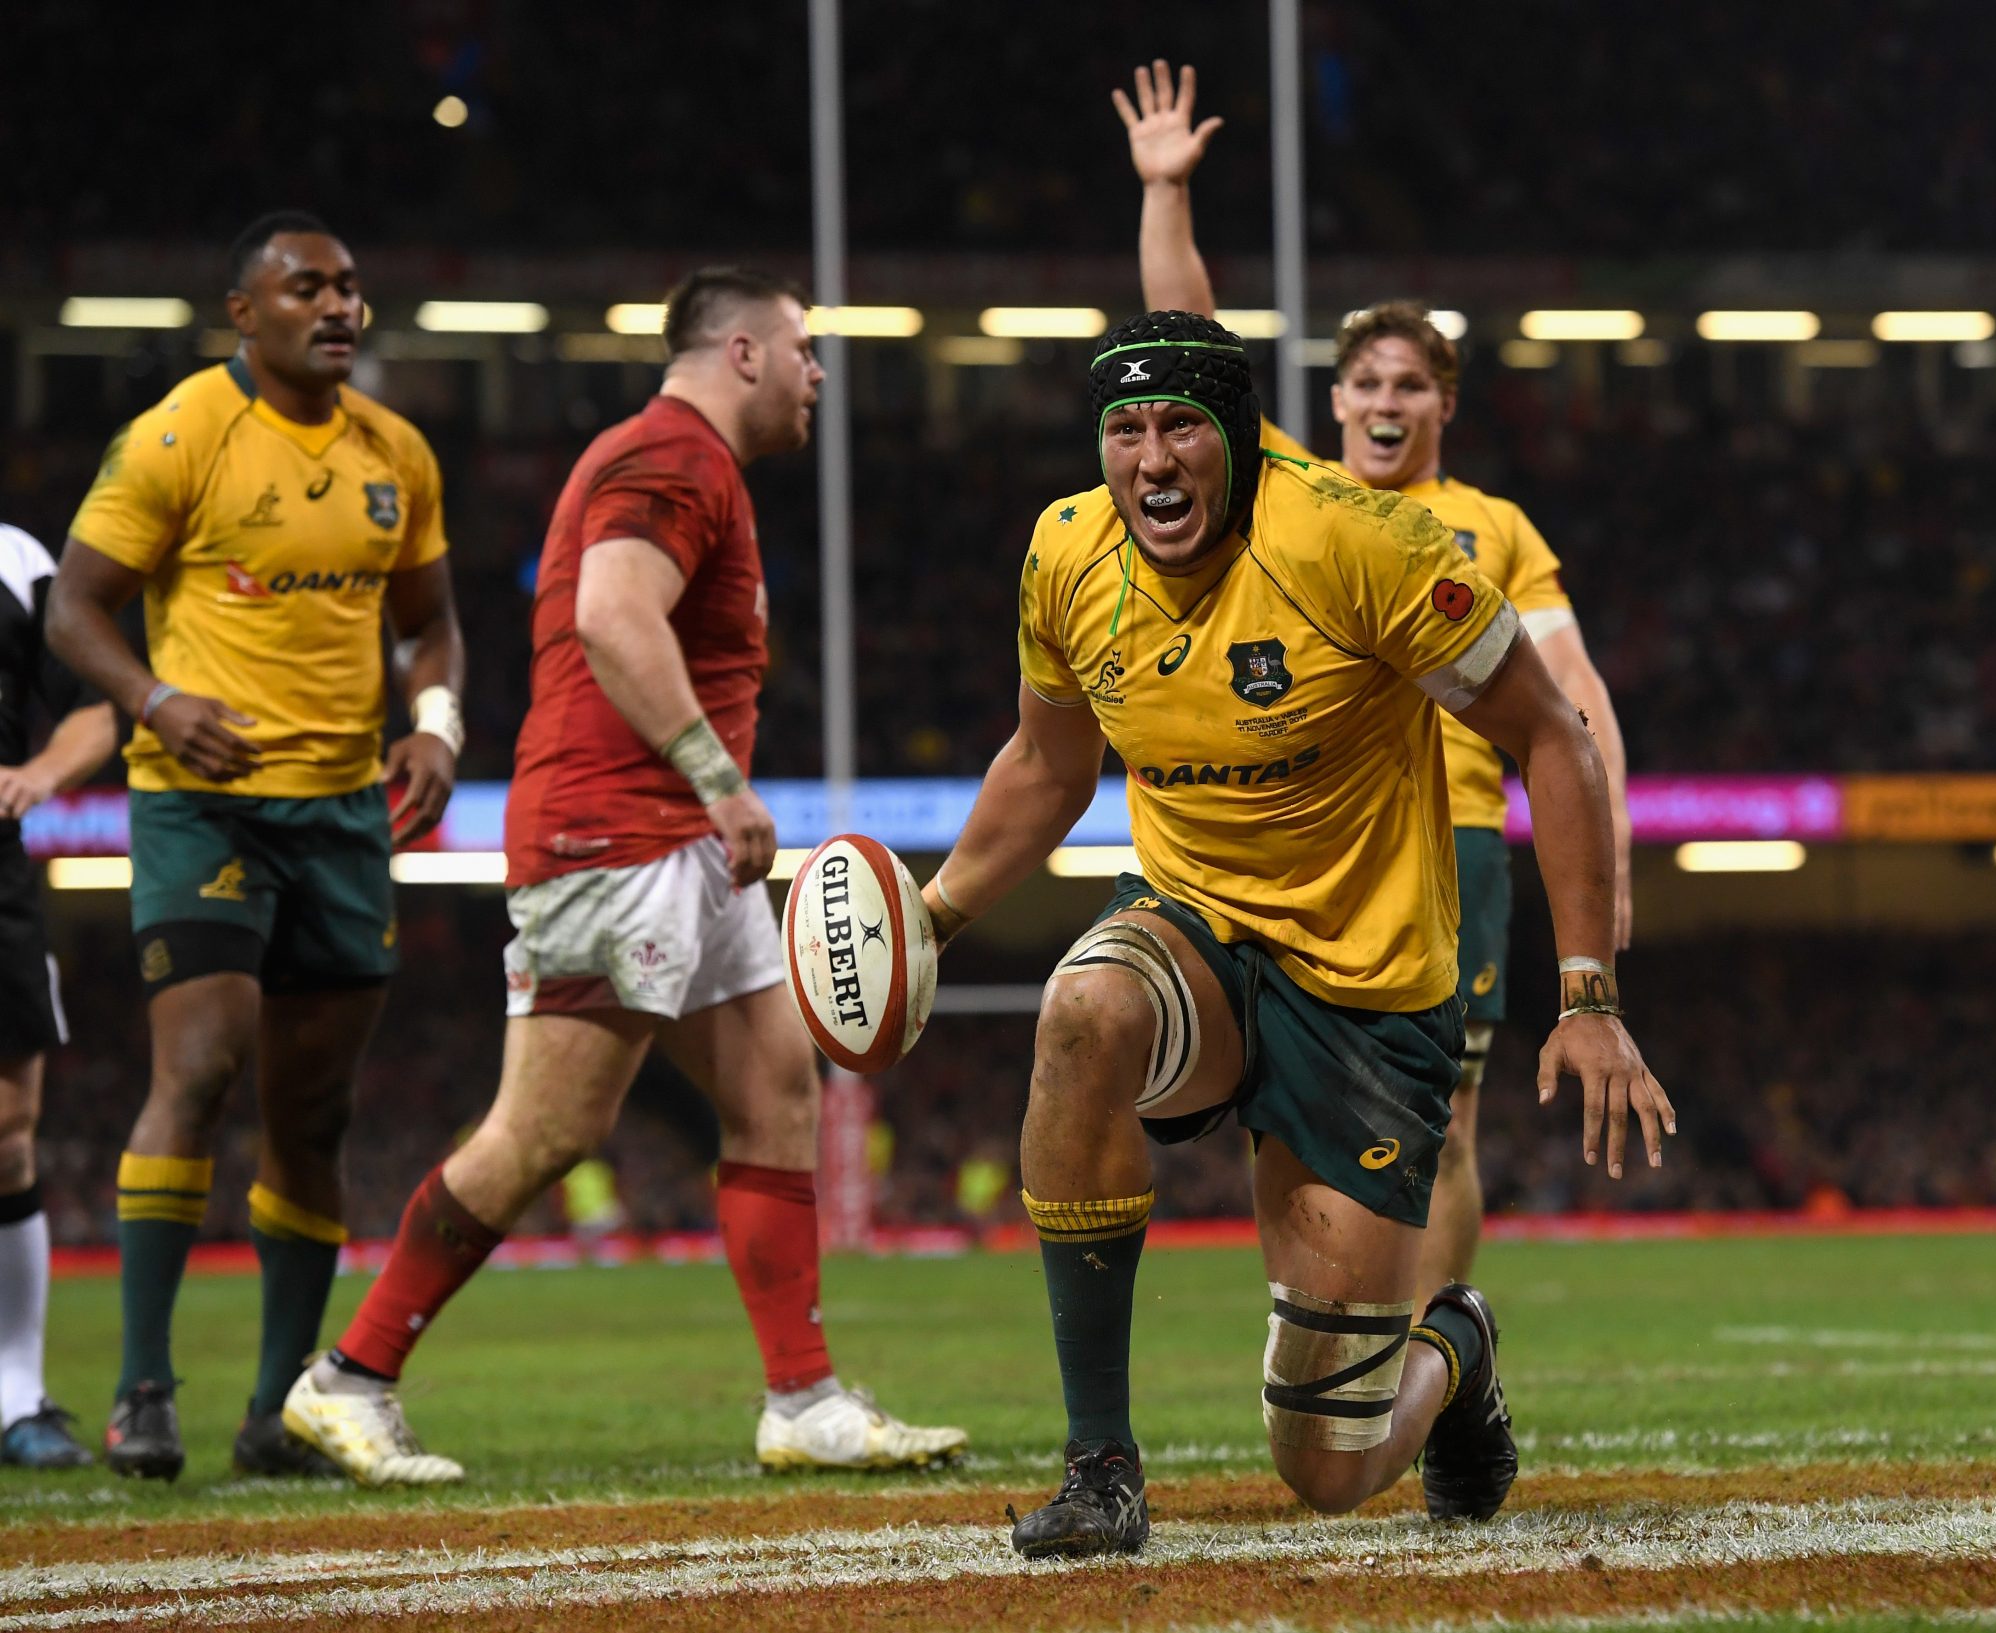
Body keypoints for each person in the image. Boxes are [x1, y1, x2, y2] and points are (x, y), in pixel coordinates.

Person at [920, 308, 1672, 1558]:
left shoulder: (1359, 541)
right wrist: (936, 915)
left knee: (1328, 1464)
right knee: (1085, 1007)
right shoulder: (1065, 552)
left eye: (1179, 426)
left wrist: (1588, 994)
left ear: (1236, 434)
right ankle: (1099, 1467)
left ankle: (1457, 1343)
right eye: (1123, 429)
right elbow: (1046, 764)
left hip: (1367, 990)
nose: (1151, 459)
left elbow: (1553, 732)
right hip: (1198, 932)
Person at [280, 268, 966, 1485]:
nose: (816, 373)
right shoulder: (669, 455)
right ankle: (351, 1376)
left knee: (777, 1091)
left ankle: (803, 1400)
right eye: (801, 349)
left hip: (677, 843)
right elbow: (611, 613)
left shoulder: (694, 466)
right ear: (741, 354)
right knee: (549, 1128)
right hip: (616, 834)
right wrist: (719, 780)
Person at [1115, 61, 1636, 1308]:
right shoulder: (1294, 494)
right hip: (1312, 841)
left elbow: (1572, 696)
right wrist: (1166, 191)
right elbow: (1188, 336)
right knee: (1287, 1115)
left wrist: (1605, 868)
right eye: (1367, 383)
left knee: (1444, 1119)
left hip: (1454, 842)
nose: (1386, 401)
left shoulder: (1492, 527)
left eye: (1410, 384)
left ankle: (1425, 1356)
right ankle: (1330, 1341)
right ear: (1335, 398)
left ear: (1442, 402)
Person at [46, 212, 465, 1481]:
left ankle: (280, 1409)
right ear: (243, 312)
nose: (338, 307)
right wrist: (155, 699)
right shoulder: (179, 435)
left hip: (343, 814)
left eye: (350, 287)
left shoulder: (396, 451)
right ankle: (142, 1389)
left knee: (315, 1113)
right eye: (306, 288)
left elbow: (431, 625)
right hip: (202, 801)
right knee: (201, 1066)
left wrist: (435, 724)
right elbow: (76, 607)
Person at [0, 524, 119, 1469]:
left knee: (7, 1132)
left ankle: (16, 1394)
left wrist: (38, 774)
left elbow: (95, 709)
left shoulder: (15, 561)